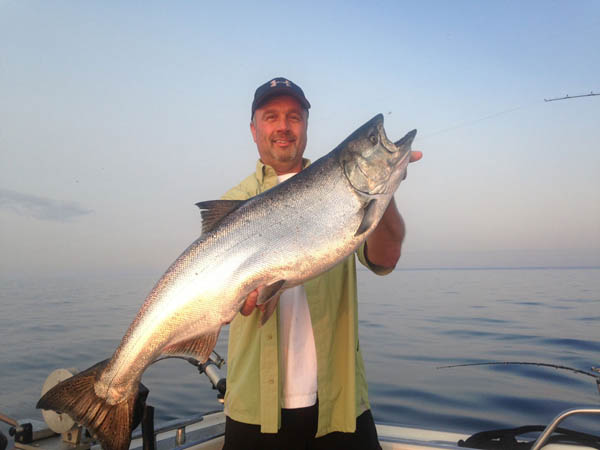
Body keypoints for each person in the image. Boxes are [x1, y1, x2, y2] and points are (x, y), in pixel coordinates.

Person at [221, 77, 422, 450]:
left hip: (340, 402)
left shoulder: (341, 186)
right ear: (253, 129)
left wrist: (386, 188)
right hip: (254, 408)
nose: (283, 126)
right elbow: (214, 296)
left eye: (294, 117)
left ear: (306, 126)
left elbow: (386, 257)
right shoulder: (235, 202)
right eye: (271, 116)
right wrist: (232, 301)